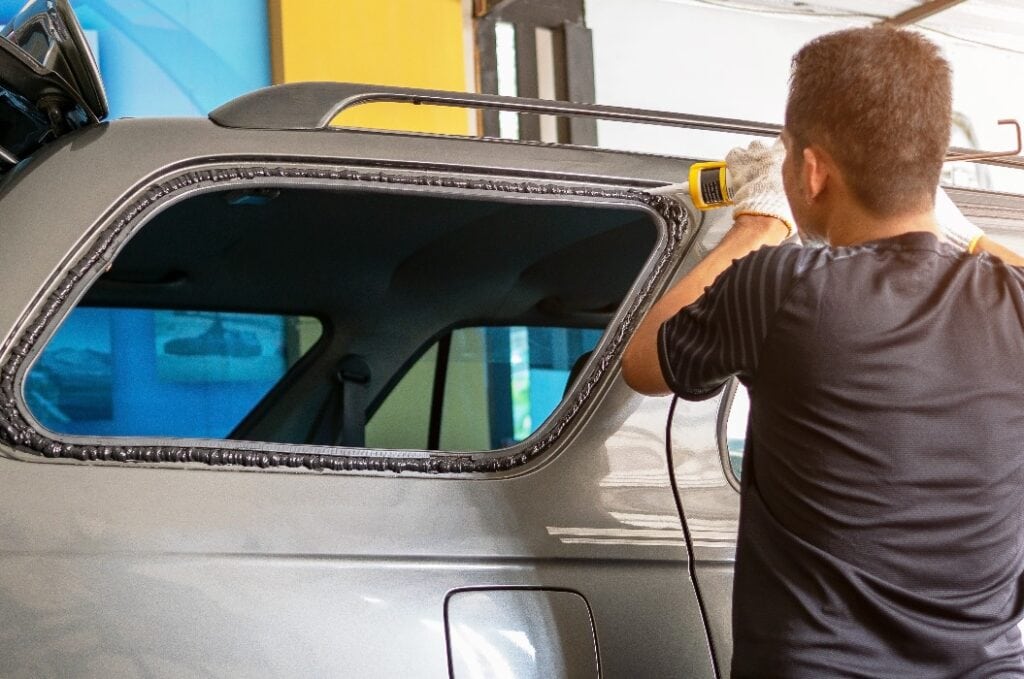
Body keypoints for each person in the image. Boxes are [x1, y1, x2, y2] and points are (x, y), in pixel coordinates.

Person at [622, 26, 1024, 677]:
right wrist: (964, 233)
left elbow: (642, 361)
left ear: (811, 172)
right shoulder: (1013, 301)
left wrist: (757, 223)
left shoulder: (781, 287)